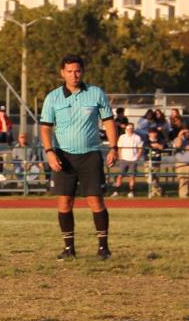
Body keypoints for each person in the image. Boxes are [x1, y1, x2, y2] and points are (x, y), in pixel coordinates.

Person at [39, 55, 118, 260]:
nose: (74, 75)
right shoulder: (53, 98)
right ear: (62, 73)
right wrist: (49, 152)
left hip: (90, 154)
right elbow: (45, 128)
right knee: (64, 202)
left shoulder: (95, 93)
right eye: (69, 71)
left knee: (95, 201)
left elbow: (108, 122)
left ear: (83, 71)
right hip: (63, 156)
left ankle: (103, 248)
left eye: (78, 71)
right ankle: (68, 249)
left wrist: (113, 147)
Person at [115, 122, 143, 197]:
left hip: (133, 160)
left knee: (132, 176)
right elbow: (119, 148)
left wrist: (138, 157)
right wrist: (120, 157)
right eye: (128, 128)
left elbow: (140, 148)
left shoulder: (137, 137)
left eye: (131, 128)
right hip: (124, 159)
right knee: (120, 176)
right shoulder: (122, 137)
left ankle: (131, 191)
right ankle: (116, 191)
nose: (130, 129)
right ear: (126, 129)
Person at [144, 128, 168, 198]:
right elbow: (146, 146)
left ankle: (154, 192)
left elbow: (165, 145)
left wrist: (161, 146)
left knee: (155, 177)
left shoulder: (160, 140)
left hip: (157, 162)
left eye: (154, 133)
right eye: (151, 133)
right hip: (148, 162)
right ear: (149, 134)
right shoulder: (146, 140)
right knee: (148, 177)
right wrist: (156, 146)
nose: (153, 134)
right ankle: (159, 190)